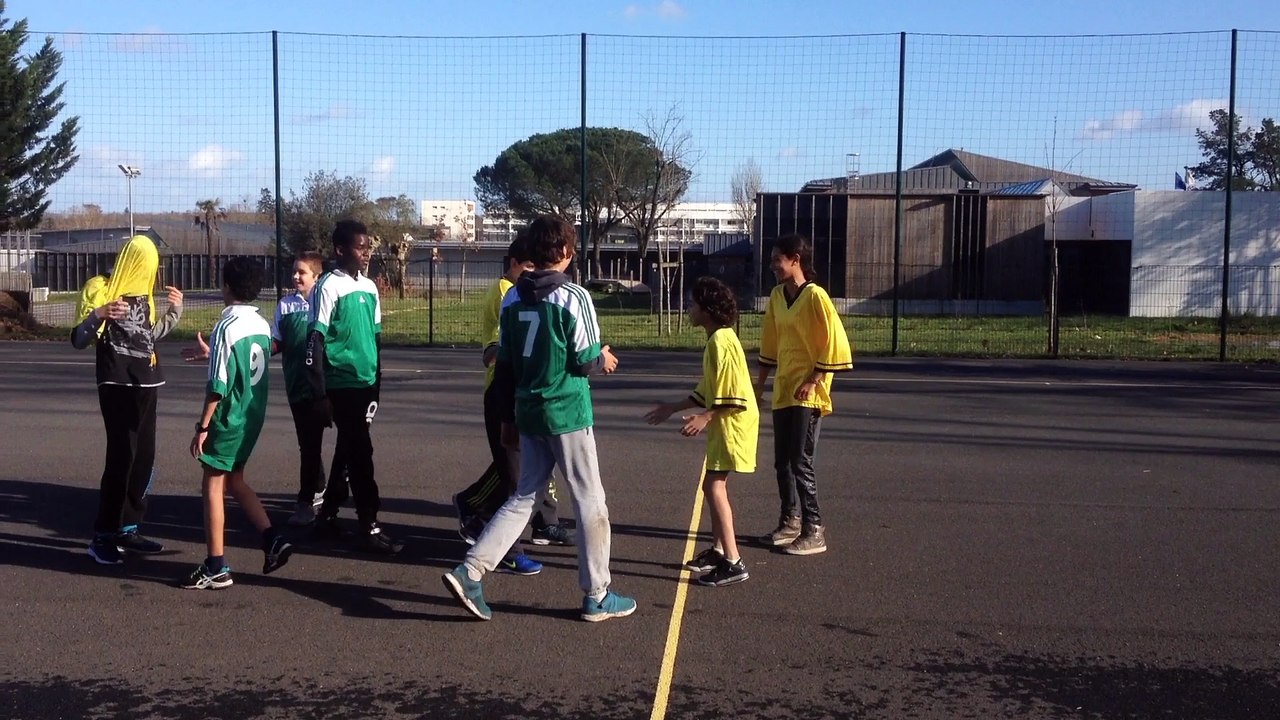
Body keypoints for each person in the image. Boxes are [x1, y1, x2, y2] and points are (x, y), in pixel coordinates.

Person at [442, 215, 636, 622]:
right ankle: (597, 594)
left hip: (527, 410)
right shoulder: (575, 297)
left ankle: (471, 570)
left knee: (524, 496)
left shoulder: (513, 297)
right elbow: (583, 362)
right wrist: (601, 357)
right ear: (566, 252)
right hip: (566, 411)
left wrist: (509, 416)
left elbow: (506, 363)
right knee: (589, 499)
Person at [451, 234, 573, 575]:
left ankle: (475, 504)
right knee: (517, 477)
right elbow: (497, 351)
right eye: (528, 266)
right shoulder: (509, 293)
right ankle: (506, 547)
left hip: (521, 391)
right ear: (514, 264)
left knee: (524, 469)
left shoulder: (517, 291)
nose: (533, 272)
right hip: (505, 391)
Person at [181, 257, 293, 589]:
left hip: (229, 418)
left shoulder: (226, 327)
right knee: (236, 481)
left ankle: (216, 566)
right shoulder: (260, 325)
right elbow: (247, 360)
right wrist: (213, 352)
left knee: (212, 485)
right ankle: (272, 538)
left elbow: (218, 385)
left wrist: (202, 427)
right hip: (252, 416)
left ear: (226, 286)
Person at [70, 235, 183, 565]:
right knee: (122, 455)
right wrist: (100, 314)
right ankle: (103, 534)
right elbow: (79, 338)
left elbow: (147, 336)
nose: (151, 270)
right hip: (116, 381)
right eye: (146, 263)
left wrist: (175, 311)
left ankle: (128, 527)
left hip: (148, 382)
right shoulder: (99, 287)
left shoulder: (144, 296)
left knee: (144, 457)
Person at [645, 276, 757, 586]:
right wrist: (673, 407)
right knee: (713, 484)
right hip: (727, 422)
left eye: (693, 304)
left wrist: (706, 417)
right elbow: (707, 389)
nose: (689, 309)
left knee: (713, 486)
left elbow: (732, 395)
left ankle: (733, 561)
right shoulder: (716, 339)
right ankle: (721, 550)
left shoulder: (722, 341)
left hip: (732, 424)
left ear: (707, 310)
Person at [306, 219, 402, 555]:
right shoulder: (328, 286)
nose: (366, 253)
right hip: (340, 384)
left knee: (348, 449)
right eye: (360, 247)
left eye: (368, 247)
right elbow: (314, 341)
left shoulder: (370, 287)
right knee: (361, 454)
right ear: (340, 250)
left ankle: (328, 514)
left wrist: (377, 383)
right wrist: (319, 393)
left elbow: (376, 340)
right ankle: (368, 524)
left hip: (365, 385)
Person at [755, 233, 853, 556]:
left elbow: (833, 342)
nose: (772, 266)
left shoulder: (816, 297)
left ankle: (814, 528)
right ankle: (790, 520)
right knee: (781, 462)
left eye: (777, 260)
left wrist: (815, 379)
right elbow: (770, 341)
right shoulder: (776, 296)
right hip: (785, 388)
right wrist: (761, 384)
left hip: (807, 392)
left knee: (800, 461)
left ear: (795, 259)